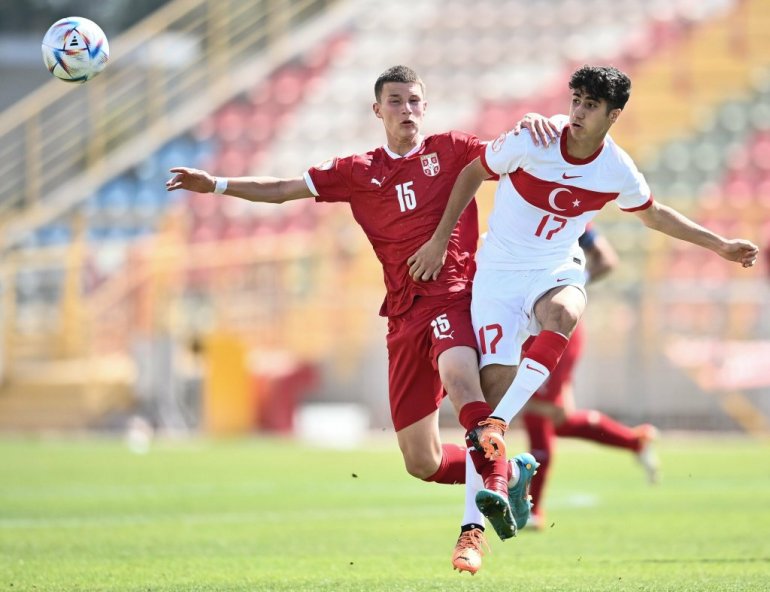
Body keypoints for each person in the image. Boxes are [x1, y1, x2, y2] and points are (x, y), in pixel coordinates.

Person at [166, 65, 551, 575]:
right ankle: (512, 471)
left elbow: (516, 157)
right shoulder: (357, 171)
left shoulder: (454, 149)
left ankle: (479, 518)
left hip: (454, 299)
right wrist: (215, 184)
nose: (407, 110)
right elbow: (282, 189)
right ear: (377, 110)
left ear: (425, 107)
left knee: (462, 382)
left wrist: (536, 125)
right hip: (402, 317)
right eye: (396, 101)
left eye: (414, 100)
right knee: (421, 462)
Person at [406, 65, 759, 510]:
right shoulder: (532, 138)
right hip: (499, 273)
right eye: (576, 101)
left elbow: (653, 215)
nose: (578, 111)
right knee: (493, 397)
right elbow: (472, 172)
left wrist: (720, 245)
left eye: (591, 105)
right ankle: (500, 485)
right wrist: (440, 241)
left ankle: (478, 513)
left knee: (564, 314)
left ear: (613, 115)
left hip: (554, 267)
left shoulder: (616, 169)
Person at [521, 225, 659, 530]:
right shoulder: (521, 210)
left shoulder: (571, 215)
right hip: (527, 325)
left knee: (537, 409)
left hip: (553, 325)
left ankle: (532, 509)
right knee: (558, 418)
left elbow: (607, 260)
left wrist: (569, 285)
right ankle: (635, 441)